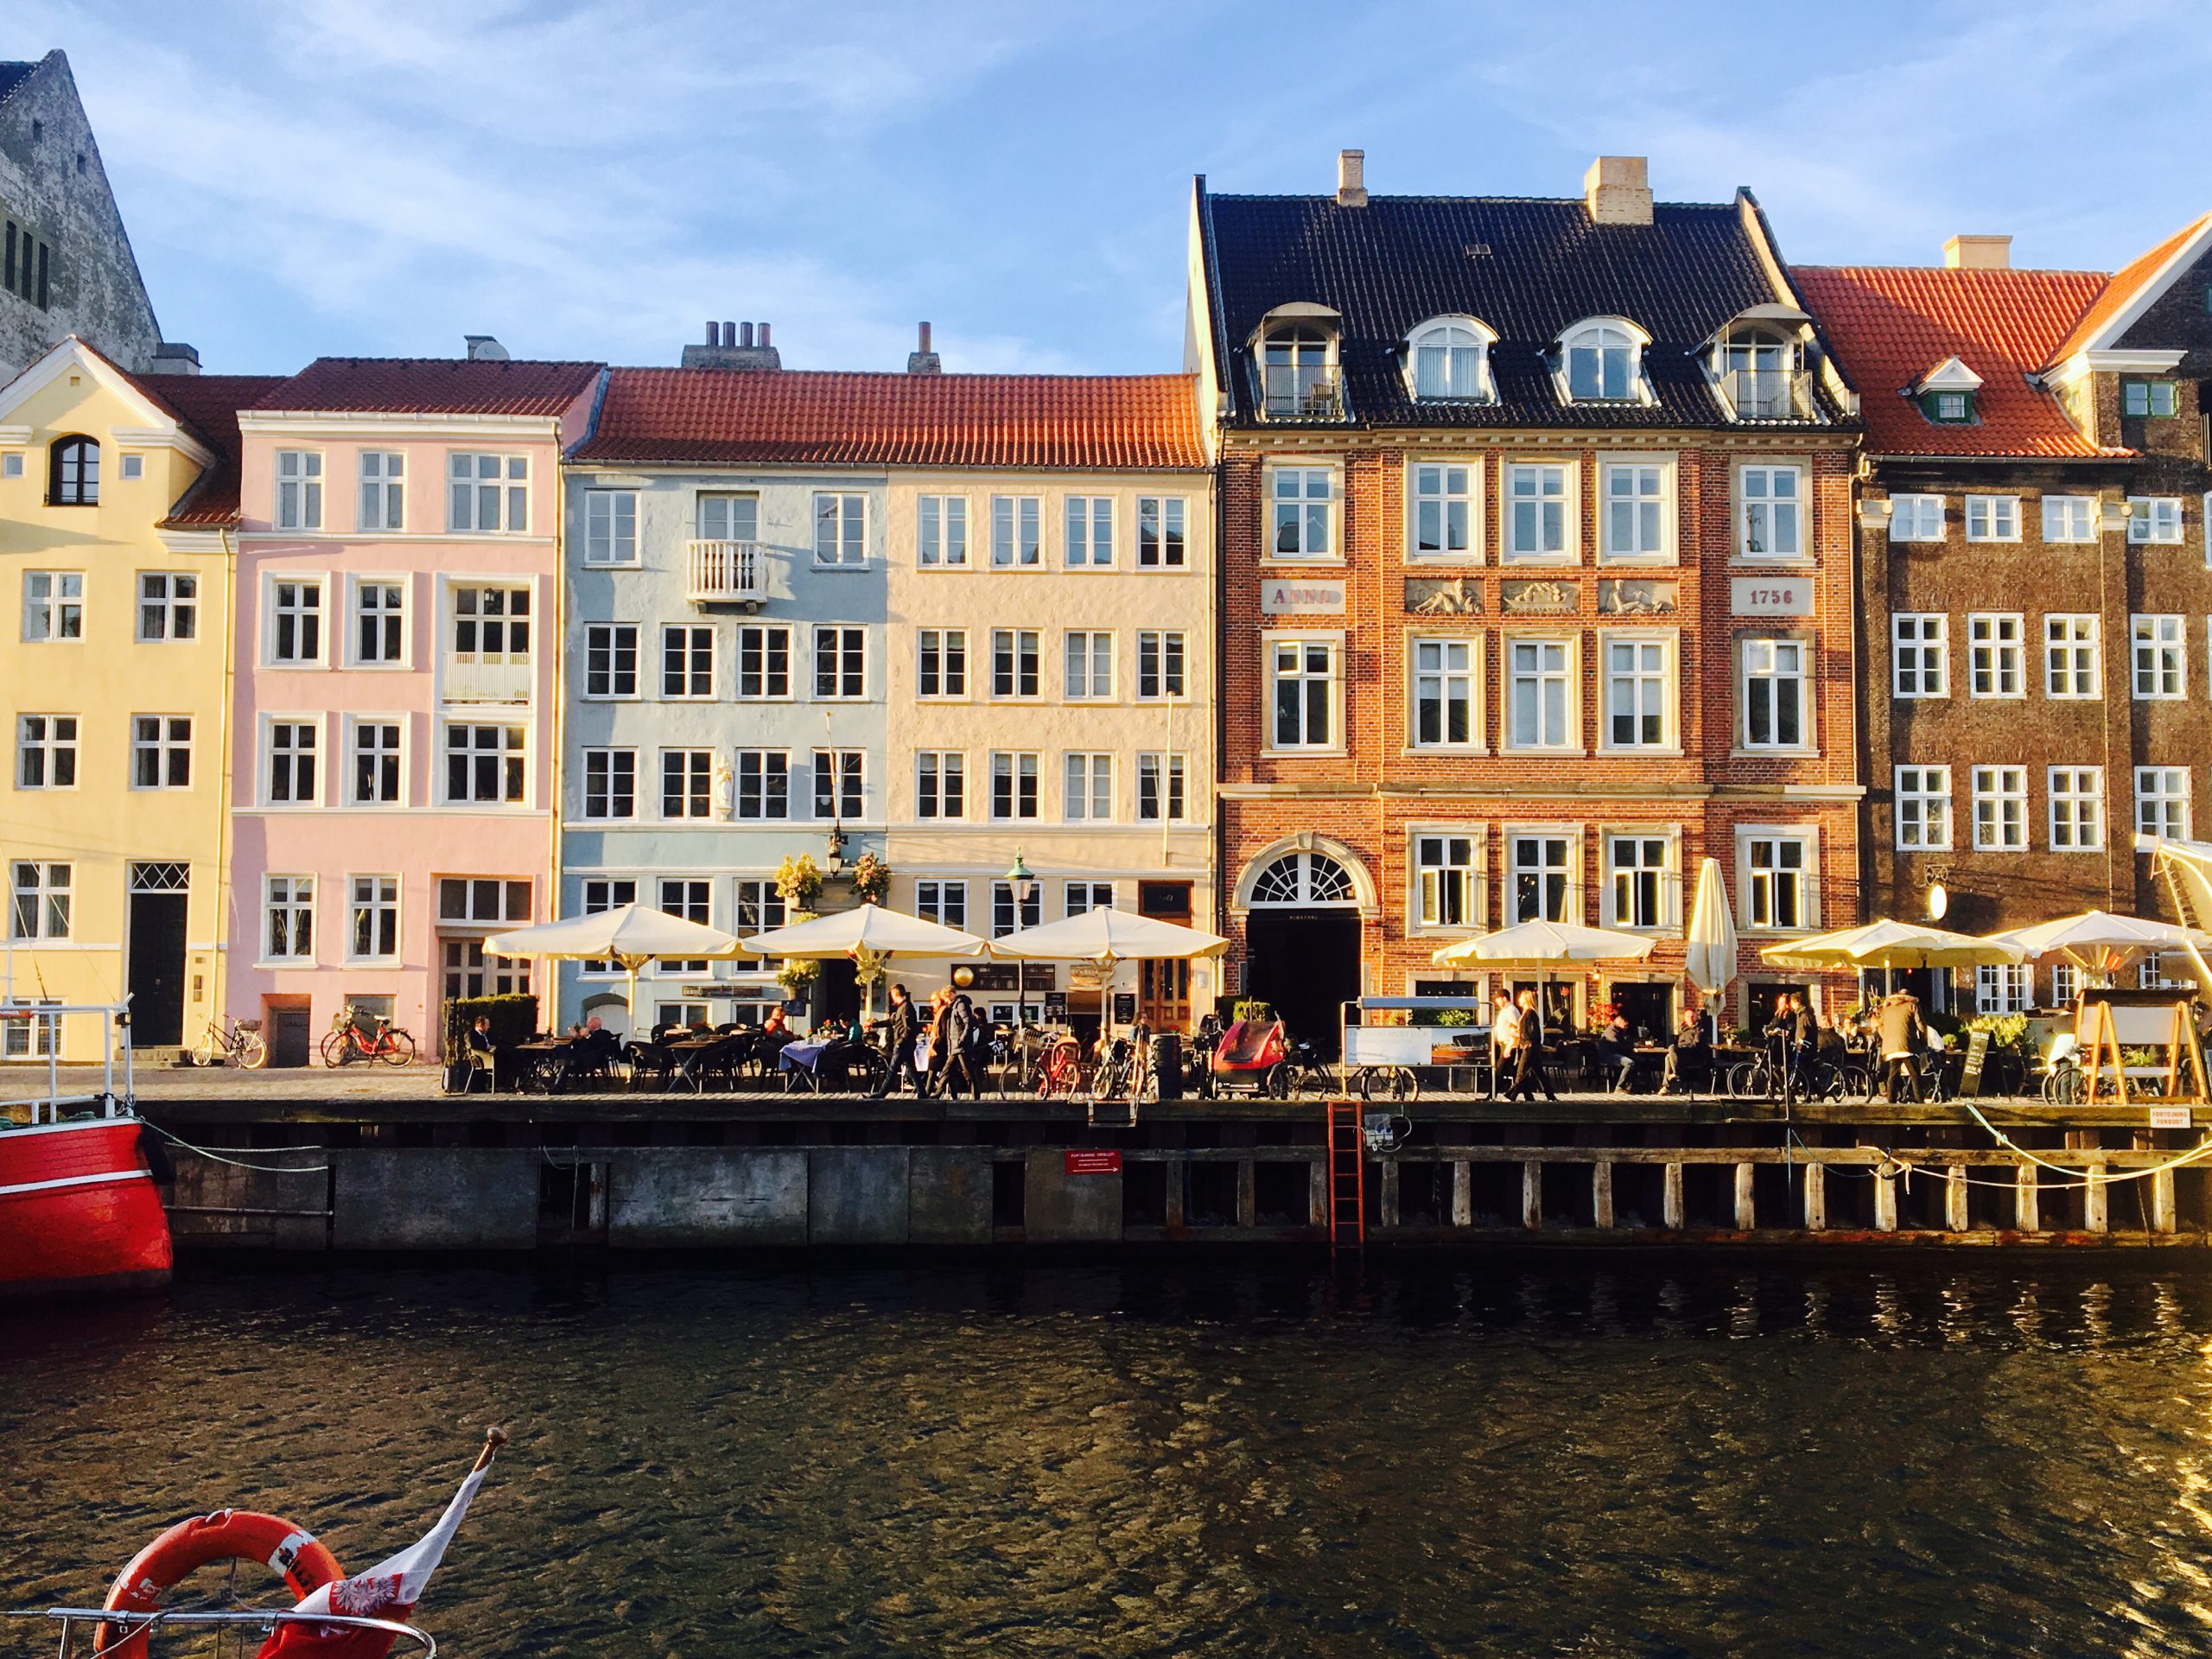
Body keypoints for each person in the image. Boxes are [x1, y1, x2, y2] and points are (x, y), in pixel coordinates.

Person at [873, 983, 926, 1099]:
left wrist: (900, 1042)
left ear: (895, 995)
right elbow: (891, 1021)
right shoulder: (902, 1007)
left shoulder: (906, 1008)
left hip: (903, 1045)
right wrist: (873, 1025)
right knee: (912, 1070)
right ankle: (922, 1093)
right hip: (906, 1045)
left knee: (892, 1070)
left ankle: (881, 1094)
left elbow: (909, 1028)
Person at [1878, 990, 1929, 1103]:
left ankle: (1891, 1100)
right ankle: (1920, 1100)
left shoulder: (1888, 1009)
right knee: (1915, 1075)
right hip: (1907, 1046)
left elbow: (1879, 1026)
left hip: (1891, 1047)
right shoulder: (1912, 1006)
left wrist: (1886, 1037)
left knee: (1893, 1074)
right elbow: (1921, 1025)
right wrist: (1923, 1042)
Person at [1509, 989, 1556, 1103]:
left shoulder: (1530, 1014)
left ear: (1526, 999)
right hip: (1529, 1045)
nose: (1519, 999)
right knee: (1539, 1072)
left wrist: (1519, 1034)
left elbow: (1531, 1032)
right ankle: (1550, 1096)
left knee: (1521, 1071)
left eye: (1521, 998)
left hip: (1529, 1046)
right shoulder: (1526, 1013)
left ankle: (1511, 1095)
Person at [1662, 1007, 1712, 1096]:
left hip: (1693, 1057)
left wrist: (1683, 1048)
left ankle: (1675, 1074)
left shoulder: (1699, 1030)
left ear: (1696, 1017)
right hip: (1682, 1056)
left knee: (1671, 1048)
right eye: (1688, 1017)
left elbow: (1696, 1045)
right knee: (1668, 1057)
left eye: (1692, 1017)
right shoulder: (1684, 1030)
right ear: (1685, 1018)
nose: (1690, 1019)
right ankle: (1666, 1087)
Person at [941, 992, 982, 1100]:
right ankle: (939, 1094)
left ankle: (976, 1097)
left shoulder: (961, 1005)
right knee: (947, 1071)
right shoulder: (954, 1006)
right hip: (955, 1046)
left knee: (968, 1073)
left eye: (945, 998)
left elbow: (968, 1023)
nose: (945, 1001)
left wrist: (961, 1040)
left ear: (950, 995)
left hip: (961, 1047)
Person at [1597, 1008, 1636, 1094]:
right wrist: (1631, 1047)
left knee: (1637, 1060)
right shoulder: (1611, 1032)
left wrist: (1632, 1044)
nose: (1626, 1027)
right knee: (1630, 1063)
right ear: (1619, 1023)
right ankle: (1619, 1087)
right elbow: (1618, 1046)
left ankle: (1631, 1086)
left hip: (1614, 1053)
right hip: (1608, 1056)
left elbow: (1623, 1043)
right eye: (1625, 1025)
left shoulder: (1618, 1031)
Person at [1489, 990, 1520, 1098]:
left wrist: (1510, 1046)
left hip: (1508, 1044)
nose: (1496, 1001)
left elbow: (1516, 1029)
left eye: (1498, 998)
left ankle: (1492, 1095)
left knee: (1500, 1070)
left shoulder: (1511, 1011)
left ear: (1504, 998)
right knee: (1508, 1070)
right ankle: (1527, 1093)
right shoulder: (1505, 1011)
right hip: (1503, 1044)